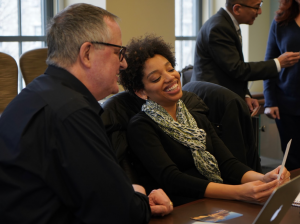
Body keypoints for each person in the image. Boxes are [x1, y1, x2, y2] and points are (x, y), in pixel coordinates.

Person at [0, 4, 173, 224]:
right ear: (87, 53)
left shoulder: (33, 96)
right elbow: (121, 214)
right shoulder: (71, 113)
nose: (124, 63)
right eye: (118, 52)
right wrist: (138, 194)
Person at [119, 34, 290, 207]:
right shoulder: (141, 126)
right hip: (181, 208)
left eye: (170, 69)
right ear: (141, 92)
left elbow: (227, 164)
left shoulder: (195, 116)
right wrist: (238, 192)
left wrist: (265, 178)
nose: (170, 77)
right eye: (156, 78)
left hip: (216, 202)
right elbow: (172, 179)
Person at [191, 0, 300, 112]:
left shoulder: (227, 24)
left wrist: (245, 95)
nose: (260, 12)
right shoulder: (219, 27)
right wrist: (278, 63)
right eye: (257, 7)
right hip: (213, 105)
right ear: (237, 9)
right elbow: (237, 69)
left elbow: (230, 70)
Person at [264, 0, 300, 171]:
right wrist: (270, 101)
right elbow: (270, 63)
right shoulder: (281, 21)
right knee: (291, 158)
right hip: (287, 103)